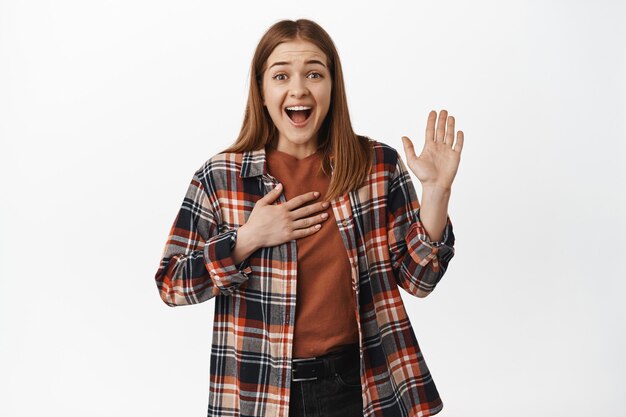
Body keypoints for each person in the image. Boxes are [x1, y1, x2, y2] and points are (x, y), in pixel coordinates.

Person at [155, 18, 463, 417]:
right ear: (262, 91)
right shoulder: (221, 177)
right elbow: (171, 284)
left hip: (358, 388)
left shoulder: (375, 166)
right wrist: (246, 239)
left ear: (333, 88)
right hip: (257, 390)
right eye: (281, 75)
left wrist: (436, 194)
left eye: (314, 73)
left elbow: (418, 280)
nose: (298, 88)